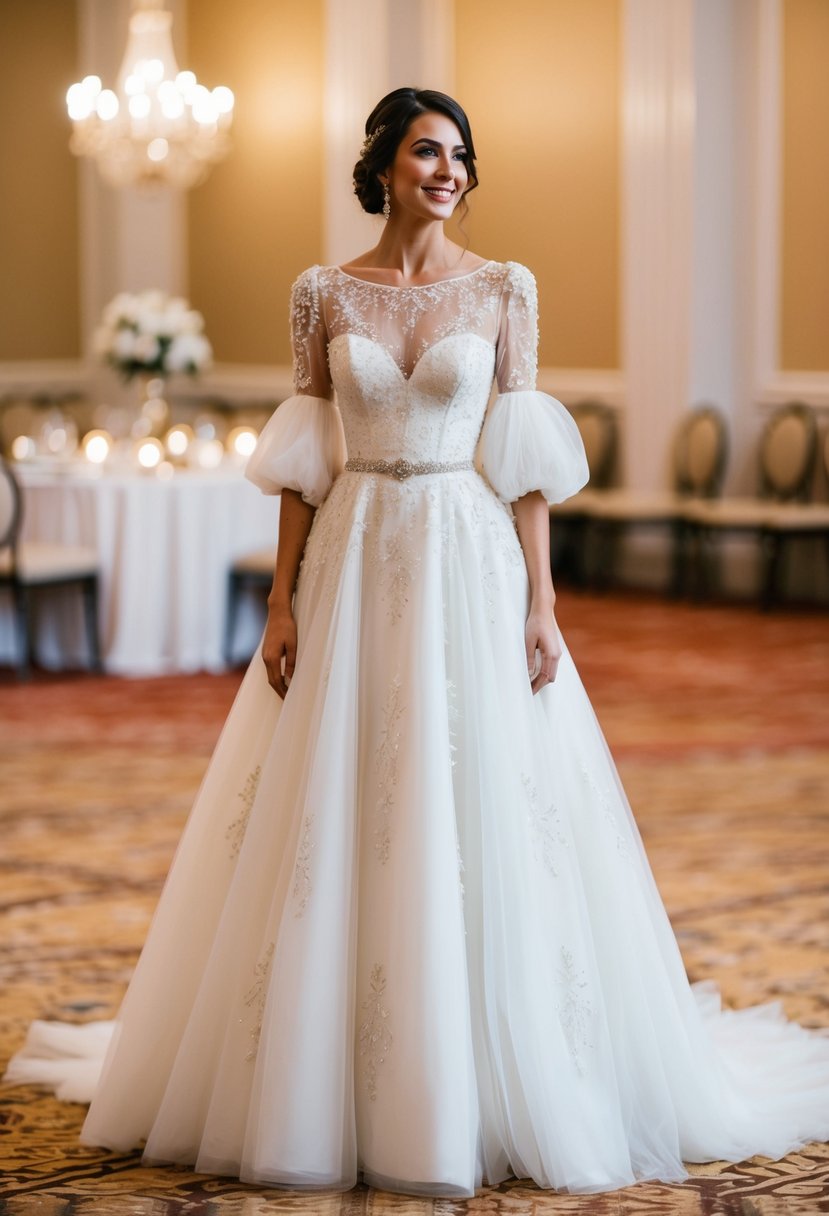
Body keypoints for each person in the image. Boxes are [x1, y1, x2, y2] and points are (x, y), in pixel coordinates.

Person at [5, 86, 829, 1200]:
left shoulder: (503, 289)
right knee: (346, 789)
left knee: (474, 787)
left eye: (459, 156)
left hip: (467, 550)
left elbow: (525, 462)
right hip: (352, 552)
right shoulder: (321, 292)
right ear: (384, 168)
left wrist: (542, 600)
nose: (446, 170)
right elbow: (303, 462)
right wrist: (283, 601)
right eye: (425, 152)